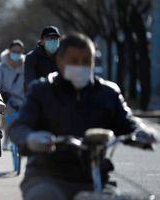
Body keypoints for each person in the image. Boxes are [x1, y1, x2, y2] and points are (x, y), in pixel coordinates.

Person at [9, 32, 156, 200]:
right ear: (59, 61)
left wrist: (141, 131)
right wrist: (31, 138)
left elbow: (127, 122)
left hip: (94, 177)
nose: (81, 66)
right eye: (74, 61)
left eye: (87, 61)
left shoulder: (108, 93)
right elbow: (19, 127)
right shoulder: (41, 90)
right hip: (46, 177)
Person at [0, 39, 25, 149]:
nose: (16, 54)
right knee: (7, 121)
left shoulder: (25, 66)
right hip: (6, 99)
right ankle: (6, 140)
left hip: (21, 100)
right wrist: (0, 97)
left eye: (18, 52)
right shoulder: (1, 66)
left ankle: (18, 140)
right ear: (9, 51)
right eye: (14, 51)